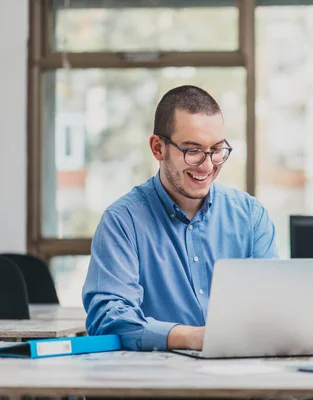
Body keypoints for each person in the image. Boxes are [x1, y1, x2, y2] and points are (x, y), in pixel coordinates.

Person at [82, 85, 278, 352]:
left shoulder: (251, 216)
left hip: (241, 376)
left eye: (217, 150)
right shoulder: (122, 221)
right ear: (158, 148)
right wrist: (191, 337)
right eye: (193, 150)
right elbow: (109, 318)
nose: (208, 166)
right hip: (158, 382)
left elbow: (274, 308)